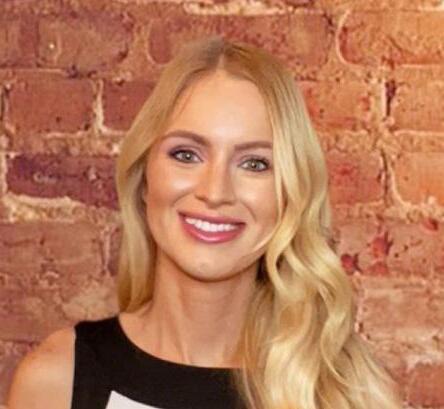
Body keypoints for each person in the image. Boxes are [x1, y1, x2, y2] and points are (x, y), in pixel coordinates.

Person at [6, 35, 403, 409]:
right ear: (145, 179)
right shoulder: (55, 382)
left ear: (289, 196)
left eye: (254, 163)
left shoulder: (346, 390)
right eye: (186, 155)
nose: (215, 192)